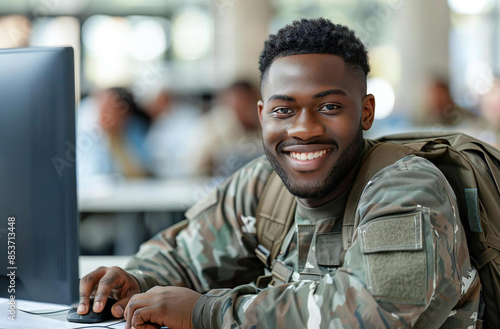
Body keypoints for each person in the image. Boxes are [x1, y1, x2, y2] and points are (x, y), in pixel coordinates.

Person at [78, 18, 480, 328]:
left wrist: (207, 313)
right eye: (283, 110)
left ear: (367, 112)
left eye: (329, 107)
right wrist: (136, 280)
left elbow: (369, 312)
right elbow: (182, 256)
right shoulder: (262, 185)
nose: (303, 128)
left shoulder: (407, 187)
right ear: (261, 117)